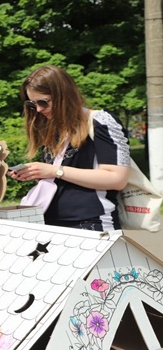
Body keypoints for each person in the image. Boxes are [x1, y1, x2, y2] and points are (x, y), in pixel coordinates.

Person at [8, 65, 130, 231]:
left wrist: (54, 171)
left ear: (64, 96)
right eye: (32, 104)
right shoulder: (51, 127)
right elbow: (65, 176)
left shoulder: (100, 121)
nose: (38, 109)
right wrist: (38, 173)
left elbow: (117, 179)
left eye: (43, 102)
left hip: (91, 222)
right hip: (49, 221)